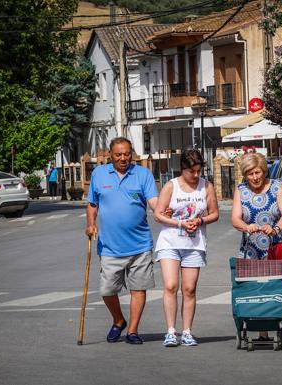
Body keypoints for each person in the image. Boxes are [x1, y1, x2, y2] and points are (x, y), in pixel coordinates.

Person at [85, 137, 158, 345]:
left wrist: (162, 210)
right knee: (107, 290)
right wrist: (91, 224)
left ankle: (132, 330)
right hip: (109, 246)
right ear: (110, 155)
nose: (123, 158)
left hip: (140, 244)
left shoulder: (143, 174)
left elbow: (153, 201)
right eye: (118, 155)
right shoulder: (99, 174)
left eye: (127, 154)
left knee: (138, 289)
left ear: (132, 153)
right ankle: (118, 320)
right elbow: (92, 204)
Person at [153, 149, 219, 347]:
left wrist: (199, 220)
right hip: (170, 242)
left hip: (194, 244)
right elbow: (158, 215)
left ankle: (187, 331)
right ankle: (171, 331)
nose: (196, 175)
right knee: (171, 285)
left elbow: (214, 214)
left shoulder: (206, 187)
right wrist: (180, 223)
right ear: (182, 169)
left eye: (199, 170)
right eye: (192, 171)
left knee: (189, 289)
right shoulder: (171, 186)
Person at [230, 152, 282, 345]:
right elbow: (235, 218)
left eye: (257, 172)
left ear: (263, 171)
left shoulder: (276, 186)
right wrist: (246, 226)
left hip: (277, 247)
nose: (255, 177)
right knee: (256, 289)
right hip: (251, 248)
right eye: (250, 173)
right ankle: (262, 331)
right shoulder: (241, 190)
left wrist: (275, 229)